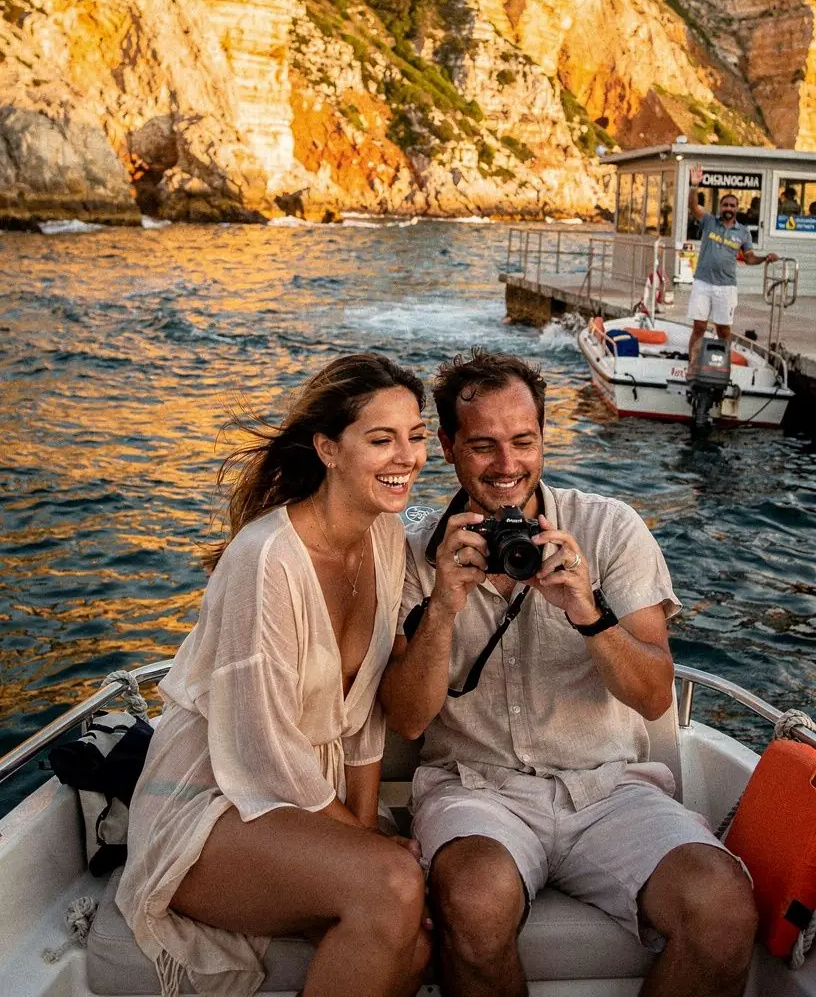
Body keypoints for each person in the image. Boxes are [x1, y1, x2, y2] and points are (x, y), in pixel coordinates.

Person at [379, 351, 758, 997]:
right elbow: (409, 719)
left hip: (610, 787)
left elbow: (651, 693)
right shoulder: (410, 554)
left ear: (544, 438)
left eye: (524, 442)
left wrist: (587, 610)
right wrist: (443, 605)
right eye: (483, 445)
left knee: (722, 905)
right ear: (445, 446)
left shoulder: (609, 530)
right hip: (477, 787)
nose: (507, 465)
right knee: (473, 900)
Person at [117, 353, 432, 997]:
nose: (407, 456)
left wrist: (368, 833)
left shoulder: (386, 538)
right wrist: (371, 850)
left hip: (307, 799)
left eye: (416, 435)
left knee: (417, 936)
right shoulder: (267, 561)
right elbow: (263, 754)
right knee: (396, 884)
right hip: (212, 802)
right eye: (381, 439)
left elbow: (366, 717)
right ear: (328, 449)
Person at [686, 165, 778, 370]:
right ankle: (691, 363)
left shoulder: (743, 232)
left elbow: (749, 257)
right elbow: (693, 207)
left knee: (723, 331)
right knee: (699, 326)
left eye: (732, 205)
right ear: (720, 207)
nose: (728, 208)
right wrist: (694, 186)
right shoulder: (709, 221)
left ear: (737, 209)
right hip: (703, 282)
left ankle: (721, 365)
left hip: (726, 287)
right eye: (725, 205)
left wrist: (765, 259)